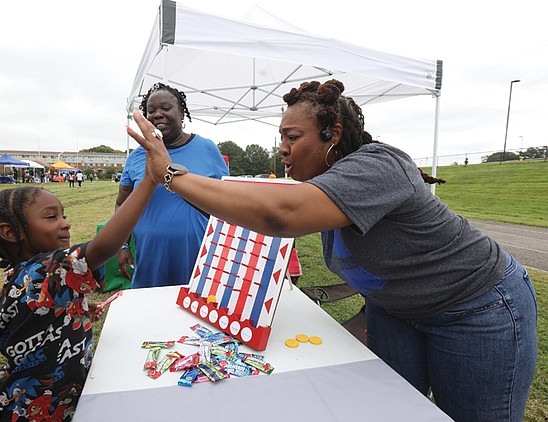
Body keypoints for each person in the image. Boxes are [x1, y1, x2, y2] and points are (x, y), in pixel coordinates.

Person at [127, 79, 538, 422]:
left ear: (333, 135)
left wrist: (168, 170)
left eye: (292, 137)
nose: (282, 149)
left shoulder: (377, 165)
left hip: (477, 310)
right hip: (398, 312)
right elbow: (244, 203)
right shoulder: (326, 183)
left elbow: (280, 215)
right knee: (394, 410)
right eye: (281, 139)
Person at [0, 176, 155, 421]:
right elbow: (103, 248)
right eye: (52, 217)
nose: (65, 224)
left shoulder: (23, 277)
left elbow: (32, 324)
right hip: (32, 412)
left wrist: (74, 312)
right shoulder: (46, 269)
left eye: (64, 215)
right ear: (10, 232)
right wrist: (149, 181)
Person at [115, 82, 229, 289]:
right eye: (151, 110)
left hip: (197, 252)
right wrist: (123, 245)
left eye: (166, 108)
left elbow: (228, 203)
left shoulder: (207, 149)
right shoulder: (136, 157)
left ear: (182, 113)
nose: (157, 114)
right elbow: (121, 204)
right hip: (150, 255)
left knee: (195, 308)